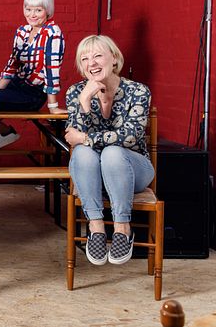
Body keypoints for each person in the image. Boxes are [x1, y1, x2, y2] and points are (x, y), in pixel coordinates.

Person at [64, 35, 153, 266]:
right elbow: (73, 141)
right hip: (91, 175)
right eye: (85, 59)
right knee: (83, 153)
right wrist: (84, 101)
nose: (91, 63)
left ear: (114, 59)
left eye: (97, 56)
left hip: (133, 171)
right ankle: (96, 228)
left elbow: (131, 136)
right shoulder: (76, 92)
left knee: (112, 153)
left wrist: (85, 137)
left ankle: (123, 229)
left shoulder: (138, 91)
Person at [0, 0, 66, 149]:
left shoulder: (53, 32)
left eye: (38, 10)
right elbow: (12, 64)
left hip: (33, 94)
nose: (32, 14)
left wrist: (52, 107)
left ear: (48, 11)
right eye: (28, 9)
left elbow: (51, 68)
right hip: (16, 85)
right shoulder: (22, 32)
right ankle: (5, 132)